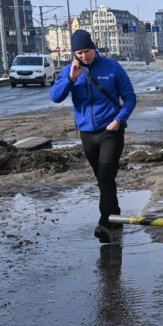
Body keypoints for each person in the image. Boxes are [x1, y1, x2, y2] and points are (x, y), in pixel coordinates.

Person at [49, 29, 136, 243]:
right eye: (79, 52)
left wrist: (119, 120)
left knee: (106, 176)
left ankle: (104, 223)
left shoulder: (112, 68)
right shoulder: (70, 70)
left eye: (87, 51)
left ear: (94, 49)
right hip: (87, 133)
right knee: (102, 179)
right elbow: (55, 97)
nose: (84, 56)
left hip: (111, 131)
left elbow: (130, 98)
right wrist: (71, 78)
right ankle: (114, 213)